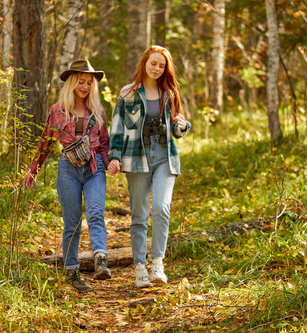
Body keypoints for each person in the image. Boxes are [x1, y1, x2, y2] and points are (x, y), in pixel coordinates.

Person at [24, 59, 111, 293]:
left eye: (89, 82)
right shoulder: (57, 110)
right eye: (81, 82)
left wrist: (112, 162)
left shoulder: (98, 111)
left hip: (95, 167)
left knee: (95, 212)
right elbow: (45, 143)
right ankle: (72, 270)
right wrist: (33, 170)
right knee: (71, 221)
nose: (85, 86)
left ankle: (101, 260)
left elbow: (104, 144)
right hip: (68, 169)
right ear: (72, 82)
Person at [108, 46, 192, 288]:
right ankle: (139, 268)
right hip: (136, 157)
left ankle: (158, 264)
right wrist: (114, 156)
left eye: (162, 65)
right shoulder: (128, 93)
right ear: (144, 63)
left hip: (165, 156)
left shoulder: (170, 92)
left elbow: (177, 131)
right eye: (153, 63)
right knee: (139, 215)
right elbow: (117, 128)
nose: (157, 68)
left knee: (161, 208)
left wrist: (182, 125)